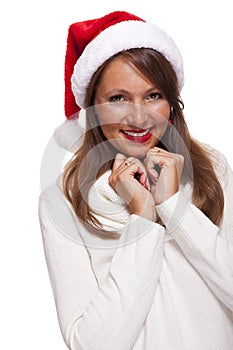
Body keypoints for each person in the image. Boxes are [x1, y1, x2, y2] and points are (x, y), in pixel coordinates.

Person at [39, 11, 233, 350]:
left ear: (172, 103)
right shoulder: (63, 200)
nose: (139, 116)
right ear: (92, 107)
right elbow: (92, 345)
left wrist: (173, 205)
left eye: (153, 95)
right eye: (118, 99)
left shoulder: (212, 169)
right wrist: (143, 218)